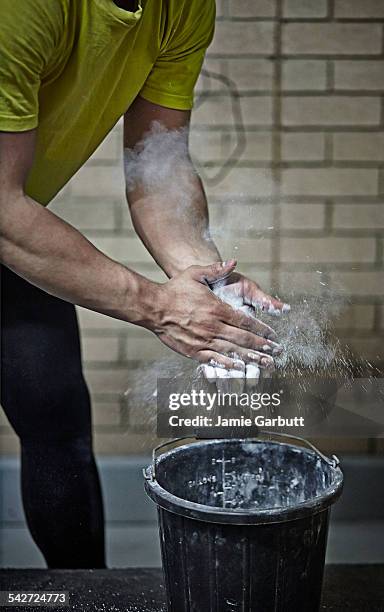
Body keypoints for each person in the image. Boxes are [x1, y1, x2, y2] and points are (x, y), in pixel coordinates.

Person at [0, 0, 286, 568]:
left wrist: (203, 278)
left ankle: (82, 596)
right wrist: (156, 306)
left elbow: (158, 166)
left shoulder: (182, 8)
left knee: (55, 416)